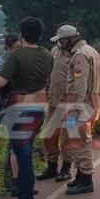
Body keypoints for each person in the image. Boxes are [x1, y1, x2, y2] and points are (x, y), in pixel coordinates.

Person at [0, 17, 53, 199]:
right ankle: (23, 195)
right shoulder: (47, 55)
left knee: (23, 154)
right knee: (26, 150)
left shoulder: (16, 55)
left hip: (19, 108)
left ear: (21, 34)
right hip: (39, 107)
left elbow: (0, 83)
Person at [51, 25, 100, 195]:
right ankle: (80, 175)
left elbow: (80, 85)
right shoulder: (90, 50)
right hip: (90, 101)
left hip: (80, 103)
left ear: (69, 39)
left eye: (62, 40)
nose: (60, 44)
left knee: (80, 141)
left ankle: (86, 179)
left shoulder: (79, 56)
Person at [37, 38, 72, 183]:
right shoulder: (54, 51)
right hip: (53, 101)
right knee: (48, 135)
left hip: (69, 102)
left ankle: (66, 168)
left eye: (61, 39)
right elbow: (49, 74)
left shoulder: (76, 54)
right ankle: (51, 166)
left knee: (67, 137)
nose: (59, 41)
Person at [0, 33, 21, 197]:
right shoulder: (3, 63)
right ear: (8, 47)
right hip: (5, 108)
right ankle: (12, 182)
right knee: (15, 146)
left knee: (15, 145)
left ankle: (15, 181)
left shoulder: (10, 61)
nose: (19, 50)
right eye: (17, 47)